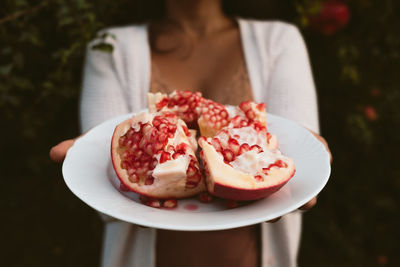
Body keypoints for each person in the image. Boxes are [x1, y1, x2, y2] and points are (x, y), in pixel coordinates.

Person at [50, 0, 332, 266]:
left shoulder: (280, 40)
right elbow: (106, 196)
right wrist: (90, 161)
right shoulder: (109, 48)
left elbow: (299, 160)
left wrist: (306, 163)